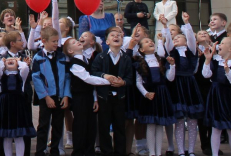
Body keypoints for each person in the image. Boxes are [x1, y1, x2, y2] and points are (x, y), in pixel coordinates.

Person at [160, 12, 204, 156]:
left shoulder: (191, 51)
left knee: (192, 121)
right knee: (178, 121)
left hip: (190, 85)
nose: (177, 38)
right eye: (175, 37)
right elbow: (167, 42)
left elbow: (191, 38)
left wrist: (186, 23)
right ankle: (181, 150)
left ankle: (191, 150)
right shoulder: (172, 52)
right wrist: (165, 26)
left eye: (180, 37)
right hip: (177, 86)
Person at [202, 39, 231, 156]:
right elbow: (206, 74)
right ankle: (215, 154)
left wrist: (227, 70)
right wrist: (207, 59)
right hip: (215, 95)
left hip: (228, 97)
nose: (219, 45)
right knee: (216, 128)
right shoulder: (215, 61)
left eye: (223, 43)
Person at [90, 27, 133, 156]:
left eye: (119, 35)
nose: (116, 36)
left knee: (120, 126)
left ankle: (120, 152)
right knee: (104, 127)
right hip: (105, 97)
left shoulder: (126, 58)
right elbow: (93, 72)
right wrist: (105, 76)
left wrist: (123, 82)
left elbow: (130, 78)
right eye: (113, 35)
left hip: (120, 98)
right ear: (107, 41)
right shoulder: (101, 57)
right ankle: (106, 151)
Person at [61, 38, 107, 156]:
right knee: (80, 124)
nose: (77, 41)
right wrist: (108, 81)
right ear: (70, 50)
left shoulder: (86, 59)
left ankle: (89, 150)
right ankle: (79, 151)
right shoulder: (74, 64)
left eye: (76, 40)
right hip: (79, 97)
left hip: (89, 96)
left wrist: (95, 99)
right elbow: (88, 78)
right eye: (73, 43)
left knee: (91, 124)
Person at [134, 36, 176, 156]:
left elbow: (170, 78)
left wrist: (172, 66)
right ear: (141, 50)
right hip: (149, 94)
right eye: (146, 42)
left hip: (162, 94)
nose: (150, 42)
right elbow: (138, 82)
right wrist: (146, 93)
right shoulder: (140, 63)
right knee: (151, 125)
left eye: (151, 41)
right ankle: (152, 152)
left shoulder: (161, 61)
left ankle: (158, 152)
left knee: (159, 125)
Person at [31, 27, 70, 156]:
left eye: (57, 41)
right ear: (44, 41)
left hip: (60, 96)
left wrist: (66, 95)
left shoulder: (61, 56)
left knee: (58, 125)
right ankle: (40, 150)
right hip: (47, 97)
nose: (56, 44)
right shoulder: (38, 57)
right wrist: (46, 97)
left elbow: (67, 77)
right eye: (53, 41)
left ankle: (55, 150)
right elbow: (36, 78)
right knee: (43, 125)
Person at [0, 56, 35, 156]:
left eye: (14, 60)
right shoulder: (1, 76)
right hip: (5, 105)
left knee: (19, 135)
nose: (10, 60)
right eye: (7, 60)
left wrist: (19, 62)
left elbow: (25, 68)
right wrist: (2, 62)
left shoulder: (21, 76)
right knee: (7, 136)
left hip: (18, 105)